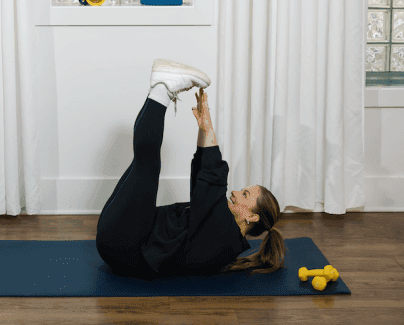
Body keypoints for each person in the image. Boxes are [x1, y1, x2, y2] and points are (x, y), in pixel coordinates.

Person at [96, 59, 287, 279]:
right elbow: (202, 181)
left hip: (125, 246)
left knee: (147, 165)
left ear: (252, 217)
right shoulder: (223, 232)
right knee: (142, 163)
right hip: (123, 241)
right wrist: (205, 127)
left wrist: (209, 129)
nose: (235, 192)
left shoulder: (224, 234)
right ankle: (160, 89)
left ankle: (163, 88)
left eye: (245, 194)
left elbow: (212, 179)